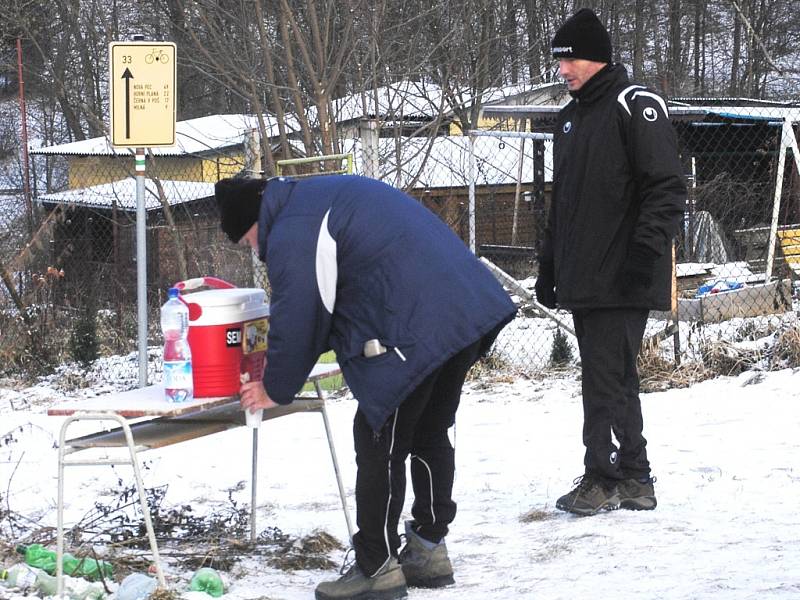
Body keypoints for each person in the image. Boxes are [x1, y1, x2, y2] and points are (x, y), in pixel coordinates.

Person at [215, 174, 516, 600]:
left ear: (252, 220)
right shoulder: (317, 197)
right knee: (428, 430)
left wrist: (275, 387)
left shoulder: (291, 228)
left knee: (378, 435)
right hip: (464, 307)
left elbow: (303, 310)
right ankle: (429, 549)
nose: (253, 249)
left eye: (246, 240)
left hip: (417, 320)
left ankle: (376, 566)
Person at [535, 8, 686, 516]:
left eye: (570, 59)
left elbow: (665, 188)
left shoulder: (635, 105)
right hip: (585, 274)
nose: (563, 70)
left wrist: (643, 258)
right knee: (614, 375)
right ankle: (635, 478)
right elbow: (563, 204)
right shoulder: (570, 120)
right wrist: (550, 267)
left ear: (596, 57)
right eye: (560, 61)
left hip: (623, 272)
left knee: (604, 377)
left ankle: (602, 477)